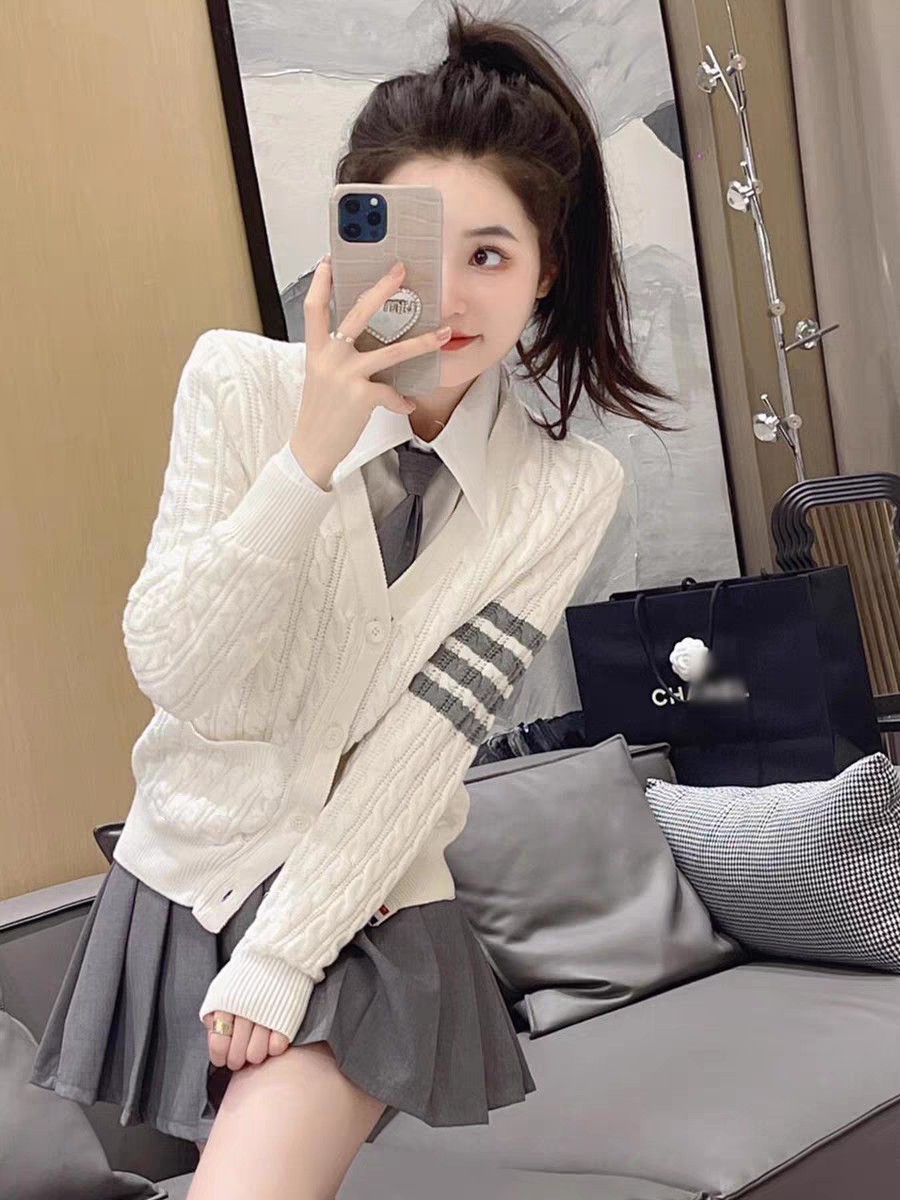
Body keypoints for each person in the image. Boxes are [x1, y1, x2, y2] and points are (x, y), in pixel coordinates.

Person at [29, 5, 681, 1198]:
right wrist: (309, 459)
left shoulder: (565, 489)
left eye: (492, 255)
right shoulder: (238, 385)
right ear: (354, 244)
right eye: (423, 248)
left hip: (369, 900)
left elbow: (429, 739)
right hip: (189, 873)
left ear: (546, 272)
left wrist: (289, 950)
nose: (451, 295)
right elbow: (178, 672)